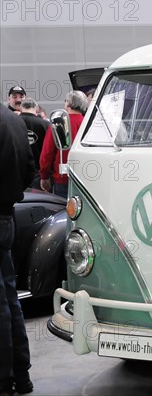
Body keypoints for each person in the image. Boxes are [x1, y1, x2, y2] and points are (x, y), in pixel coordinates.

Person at [0, 104, 35, 396]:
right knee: (10, 298)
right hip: (7, 215)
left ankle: (4, 379)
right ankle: (21, 375)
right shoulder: (14, 120)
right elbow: (30, 170)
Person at [39, 91, 88, 199]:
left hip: (62, 178)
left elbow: (47, 152)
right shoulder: (89, 124)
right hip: (85, 179)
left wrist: (44, 176)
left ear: (68, 103)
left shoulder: (58, 124)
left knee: (61, 212)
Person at [18, 98, 47, 190]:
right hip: (38, 172)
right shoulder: (45, 125)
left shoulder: (11, 122)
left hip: (16, 171)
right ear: (37, 109)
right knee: (37, 201)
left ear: (21, 108)